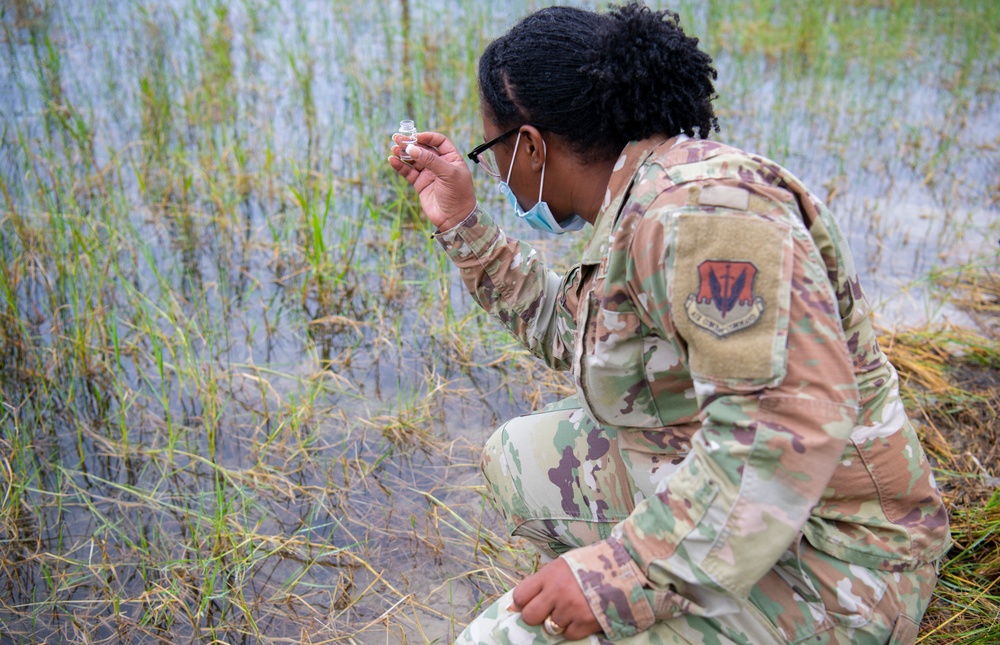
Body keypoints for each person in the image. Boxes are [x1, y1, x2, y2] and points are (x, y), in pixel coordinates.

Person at [387, 3, 950, 643]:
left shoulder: (705, 214)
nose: (492, 172)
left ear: (533, 145)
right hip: (765, 512)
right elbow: (582, 340)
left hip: (838, 565)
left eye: (489, 153)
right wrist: (464, 226)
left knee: (502, 637)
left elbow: (784, 425)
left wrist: (621, 577)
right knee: (517, 458)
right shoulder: (643, 200)